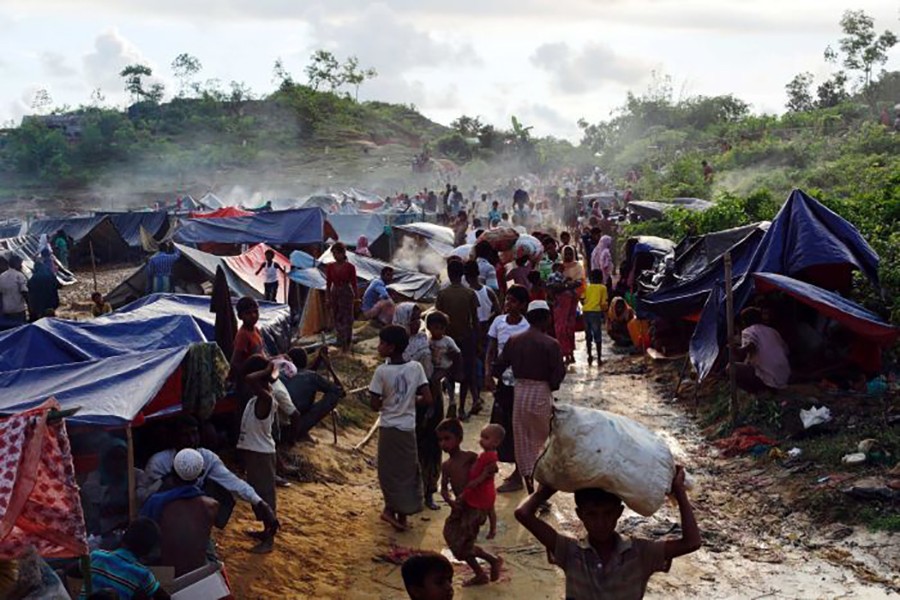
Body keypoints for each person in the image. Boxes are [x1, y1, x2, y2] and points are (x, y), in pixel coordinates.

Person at [514, 467, 701, 600]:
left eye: (608, 513)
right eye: (592, 515)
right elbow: (522, 514)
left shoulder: (641, 553)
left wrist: (680, 493)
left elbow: (692, 542)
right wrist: (545, 491)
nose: (600, 523)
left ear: (619, 513)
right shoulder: (569, 551)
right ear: (580, 515)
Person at [142, 415, 277, 537]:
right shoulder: (158, 463)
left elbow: (233, 482)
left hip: (193, 513)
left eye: (194, 434)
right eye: (185, 435)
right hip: (164, 516)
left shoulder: (207, 457)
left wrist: (260, 503)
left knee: (221, 490)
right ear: (174, 438)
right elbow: (143, 496)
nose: (191, 440)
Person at [493, 300, 565, 494]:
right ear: (545, 318)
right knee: (543, 443)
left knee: (523, 443)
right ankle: (543, 492)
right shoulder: (551, 344)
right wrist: (550, 385)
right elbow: (557, 375)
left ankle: (530, 490)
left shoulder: (514, 340)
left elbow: (498, 366)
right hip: (541, 393)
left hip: (520, 393)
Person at [369, 325, 432, 531]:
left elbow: (374, 404)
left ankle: (390, 509)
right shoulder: (416, 368)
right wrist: (409, 400)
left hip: (389, 427)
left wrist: (390, 400)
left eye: (381, 343)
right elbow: (428, 398)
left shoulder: (382, 371)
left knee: (389, 471)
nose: (378, 347)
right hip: (408, 427)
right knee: (407, 471)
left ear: (390, 347)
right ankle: (403, 512)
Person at [438, 419, 503, 587]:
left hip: (474, 507)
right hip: (460, 508)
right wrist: (450, 502)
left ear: (459, 439)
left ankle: (487, 566)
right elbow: (443, 489)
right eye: (440, 440)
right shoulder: (446, 465)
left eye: (447, 438)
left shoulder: (470, 457)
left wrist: (488, 472)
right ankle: (486, 566)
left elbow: (491, 468)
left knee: (464, 545)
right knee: (451, 535)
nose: (443, 444)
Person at [393, 303, 443, 510]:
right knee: (407, 449)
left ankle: (430, 491)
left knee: (431, 446)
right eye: (412, 320)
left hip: (429, 396)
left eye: (417, 319)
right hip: (406, 401)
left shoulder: (424, 340)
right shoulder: (394, 344)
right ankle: (407, 493)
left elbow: (434, 370)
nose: (416, 324)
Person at [140, 448, 218, 577]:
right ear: (201, 473)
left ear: (172, 471)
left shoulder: (156, 502)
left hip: (164, 573)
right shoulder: (212, 505)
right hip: (196, 573)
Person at [484, 285, 531, 492]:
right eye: (507, 300)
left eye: (512, 301)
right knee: (499, 426)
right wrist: (487, 374)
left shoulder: (527, 327)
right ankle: (498, 467)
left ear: (522, 305)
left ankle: (519, 474)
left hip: (520, 384)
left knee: (518, 428)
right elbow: (491, 351)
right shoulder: (498, 322)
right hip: (503, 382)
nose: (507, 304)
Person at [236, 354, 281, 553]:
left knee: (265, 497)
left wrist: (266, 370)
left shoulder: (266, 398)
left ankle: (269, 539)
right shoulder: (259, 397)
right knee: (259, 495)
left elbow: (249, 379)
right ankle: (265, 531)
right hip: (256, 453)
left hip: (261, 454)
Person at [80, 518, 170, 600]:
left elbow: (71, 571)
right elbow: (164, 598)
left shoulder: (96, 556)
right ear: (149, 550)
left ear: (124, 537)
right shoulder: (143, 574)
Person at [81, 439, 152, 541]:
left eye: (123, 458)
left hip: (132, 528)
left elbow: (144, 499)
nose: (119, 462)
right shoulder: (95, 477)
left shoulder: (136, 475)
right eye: (114, 458)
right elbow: (93, 508)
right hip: (103, 531)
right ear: (105, 459)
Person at [435, 260, 479, 420]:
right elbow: (475, 319)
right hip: (466, 338)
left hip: (447, 338)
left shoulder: (443, 294)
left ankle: (452, 400)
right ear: (462, 275)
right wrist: (478, 340)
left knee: (448, 371)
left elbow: (437, 318)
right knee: (466, 373)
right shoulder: (469, 293)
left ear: (449, 272)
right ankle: (461, 408)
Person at [281, 346, 345, 443]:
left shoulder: (279, 372)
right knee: (334, 394)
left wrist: (319, 359)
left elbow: (306, 374)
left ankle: (302, 432)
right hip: (291, 428)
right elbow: (341, 392)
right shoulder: (311, 377)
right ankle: (302, 432)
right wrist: (329, 368)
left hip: (275, 427)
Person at [464, 260, 499, 415]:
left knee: (473, 364)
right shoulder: (488, 291)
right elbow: (498, 310)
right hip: (486, 330)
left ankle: (477, 396)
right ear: (478, 273)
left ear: (465, 275)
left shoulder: (466, 293)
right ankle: (488, 391)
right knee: (487, 360)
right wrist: (489, 321)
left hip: (472, 332)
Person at [735, 307, 791, 392]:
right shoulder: (773, 331)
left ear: (744, 322)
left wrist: (737, 350)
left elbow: (751, 345)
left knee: (731, 368)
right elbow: (786, 350)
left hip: (768, 378)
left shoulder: (748, 332)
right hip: (784, 376)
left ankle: (757, 392)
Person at [426, 311, 461, 419]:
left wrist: (457, 370)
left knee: (435, 380)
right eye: (436, 328)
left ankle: (435, 403)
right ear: (429, 328)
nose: (439, 331)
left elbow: (457, 354)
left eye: (442, 328)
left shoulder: (447, 341)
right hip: (433, 367)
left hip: (445, 367)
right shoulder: (428, 341)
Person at [325, 242, 359, 353]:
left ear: (342, 253)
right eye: (333, 253)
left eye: (336, 253)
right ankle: (340, 340)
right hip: (335, 293)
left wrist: (357, 298)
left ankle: (347, 344)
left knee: (347, 318)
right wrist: (328, 298)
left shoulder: (350, 267)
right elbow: (328, 284)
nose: (335, 256)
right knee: (336, 317)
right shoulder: (330, 267)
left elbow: (354, 283)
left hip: (346, 293)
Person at [554, 245, 584, 364]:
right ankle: (564, 352)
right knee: (560, 327)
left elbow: (579, 282)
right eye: (566, 253)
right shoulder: (558, 267)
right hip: (560, 300)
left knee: (569, 327)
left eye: (570, 253)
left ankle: (569, 352)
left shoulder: (578, 266)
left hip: (572, 300)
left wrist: (566, 286)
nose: (568, 256)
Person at [583, 269, 609, 366]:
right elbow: (603, 303)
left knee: (588, 335)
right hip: (595, 312)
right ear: (601, 278)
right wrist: (606, 314)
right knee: (597, 335)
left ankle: (589, 356)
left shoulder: (588, 287)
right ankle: (599, 357)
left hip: (586, 312)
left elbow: (583, 299)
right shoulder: (603, 288)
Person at [0, 255, 29, 323]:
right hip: (18, 309)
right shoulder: (19, 276)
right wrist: (30, 307)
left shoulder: (1, 276)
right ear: (17, 264)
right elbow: (24, 292)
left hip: (6, 309)